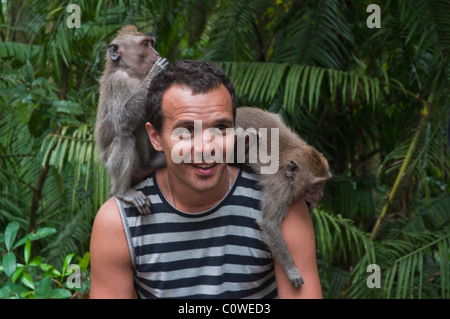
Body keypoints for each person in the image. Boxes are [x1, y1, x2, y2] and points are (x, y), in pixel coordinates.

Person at [89, 60, 322, 299]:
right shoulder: (118, 222)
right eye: (187, 131)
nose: (205, 147)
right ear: (155, 137)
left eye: (220, 128)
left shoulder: (285, 209)